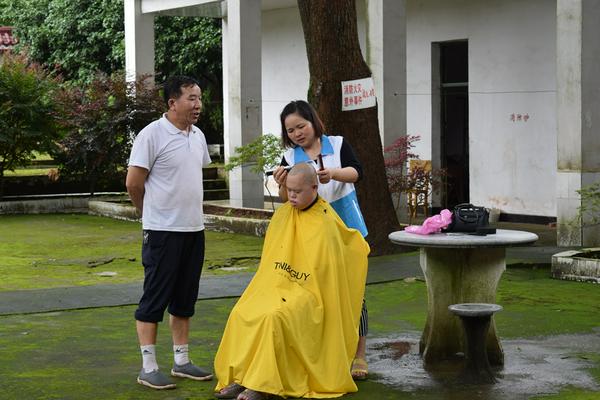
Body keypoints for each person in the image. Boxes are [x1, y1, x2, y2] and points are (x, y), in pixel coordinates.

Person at [213, 164, 369, 400]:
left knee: (273, 317)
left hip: (309, 292)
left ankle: (261, 386)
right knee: (242, 311)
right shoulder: (284, 214)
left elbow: (328, 270)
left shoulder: (326, 222)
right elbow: (272, 259)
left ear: (314, 188)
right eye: (288, 190)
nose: (292, 196)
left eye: (298, 191)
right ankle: (242, 377)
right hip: (277, 284)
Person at [125, 75, 213, 390]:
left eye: (199, 97)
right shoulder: (151, 135)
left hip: (194, 229)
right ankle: (148, 367)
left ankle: (182, 361)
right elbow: (133, 183)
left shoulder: (198, 136)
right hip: (162, 232)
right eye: (191, 98)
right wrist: (149, 214)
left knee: (184, 298)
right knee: (155, 298)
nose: (198, 104)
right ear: (172, 102)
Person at [272, 100, 370, 380]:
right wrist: (282, 183)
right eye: (290, 130)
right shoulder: (290, 158)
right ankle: (327, 353)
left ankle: (359, 355)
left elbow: (357, 172)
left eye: (301, 126)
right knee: (314, 295)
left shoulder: (337, 144)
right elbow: (287, 199)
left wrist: (333, 174)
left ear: (314, 121)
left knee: (355, 294)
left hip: (346, 230)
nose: (296, 134)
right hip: (311, 238)